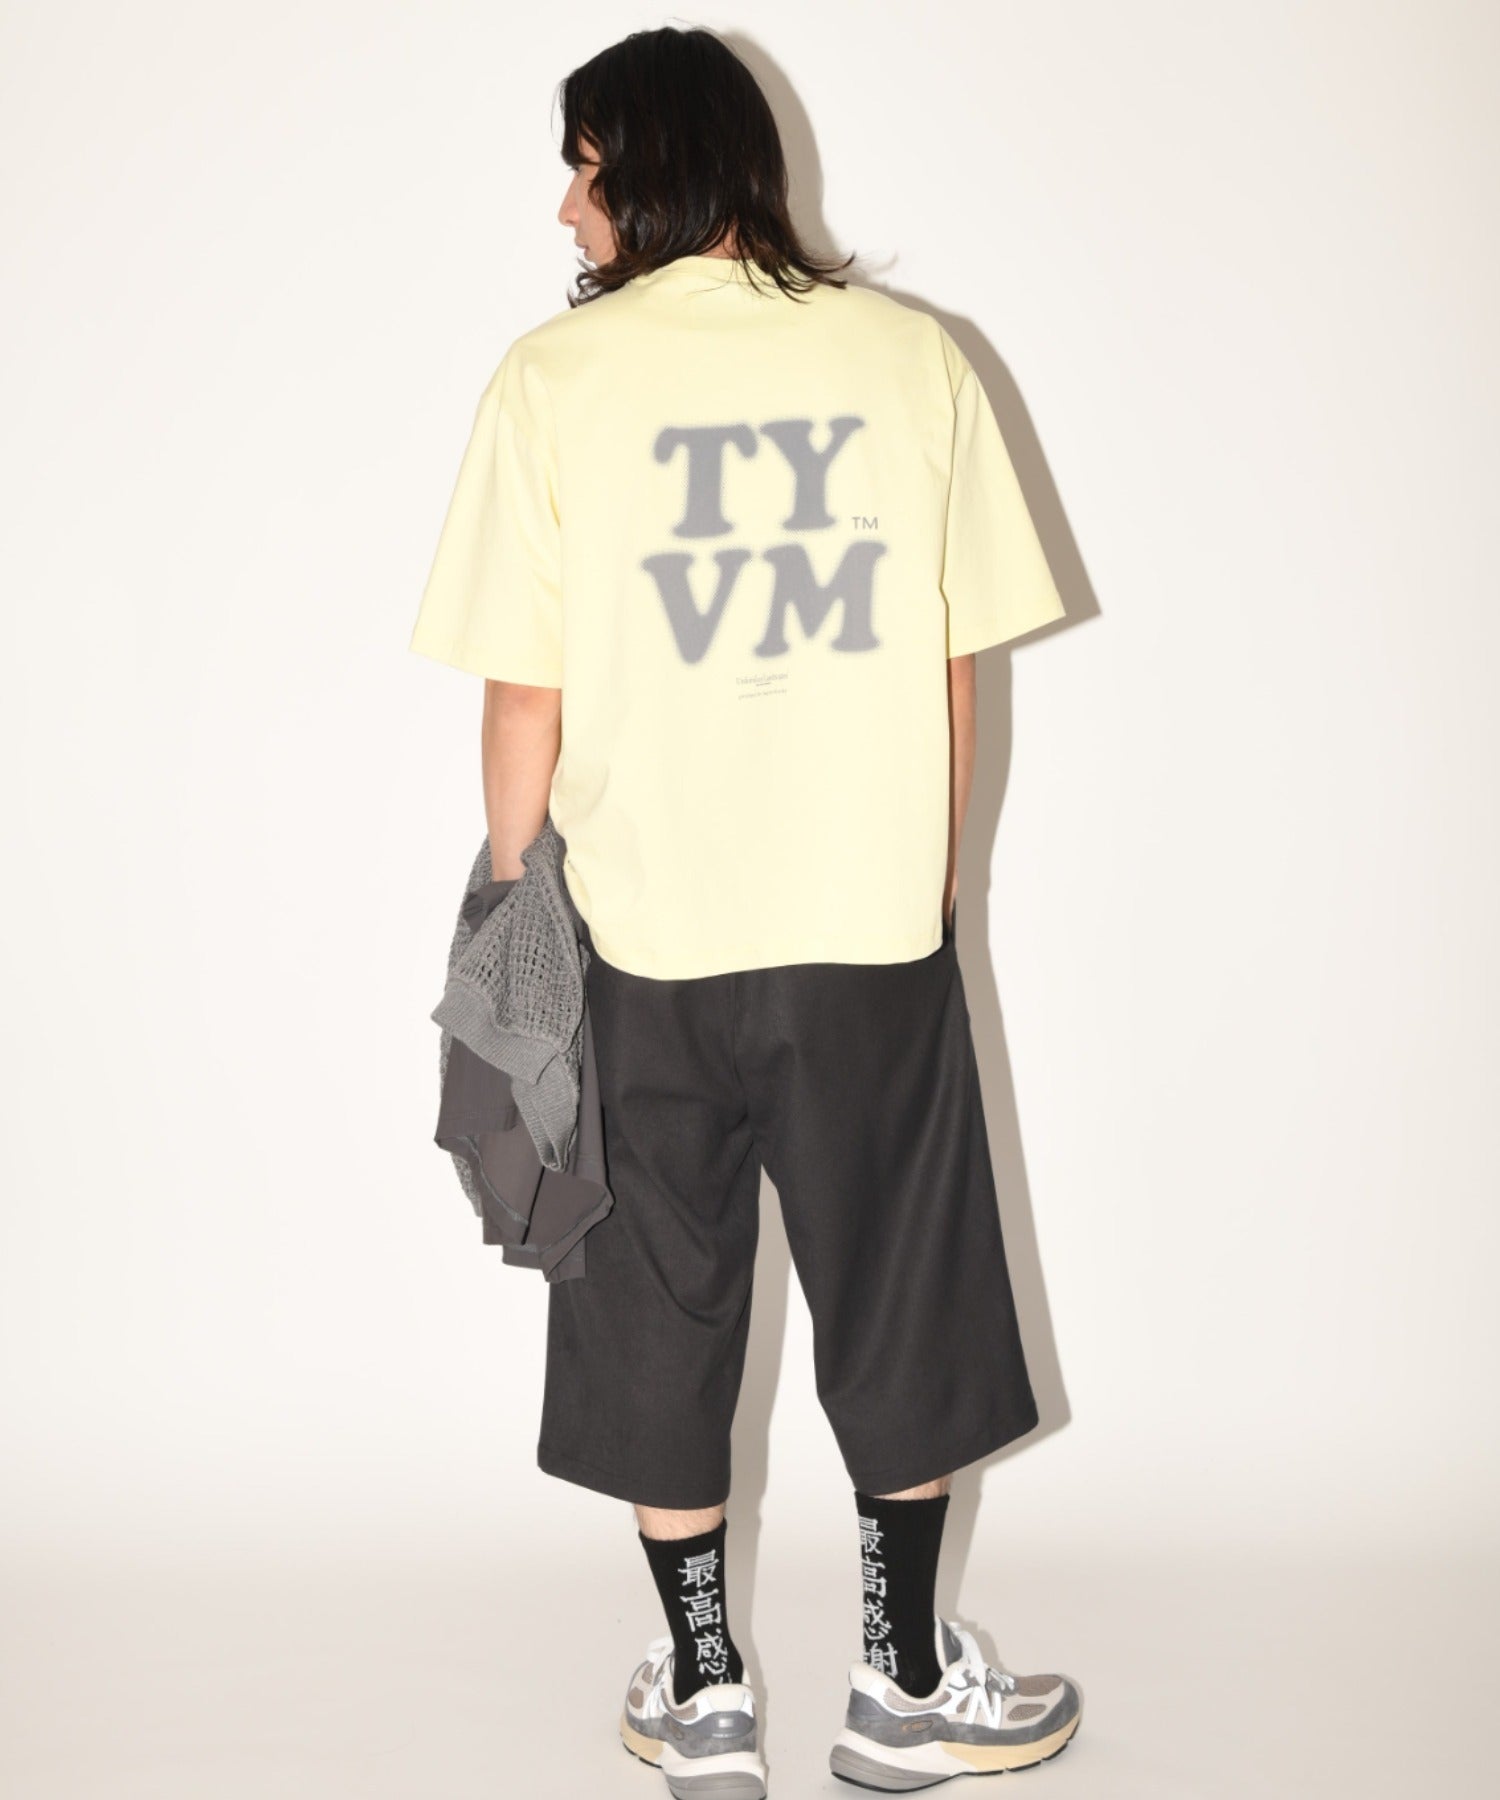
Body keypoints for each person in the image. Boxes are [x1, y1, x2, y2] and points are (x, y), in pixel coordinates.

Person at [409, 24, 1081, 1795]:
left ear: (656, 167)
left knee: (653, 1297)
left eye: (585, 168)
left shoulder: (552, 381)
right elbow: (957, 664)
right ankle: (905, 1681)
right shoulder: (914, 358)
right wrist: (935, 887)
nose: (567, 207)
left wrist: (510, 901)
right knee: (904, 1290)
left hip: (642, 938)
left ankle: (705, 1691)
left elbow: (525, 692)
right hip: (866, 934)